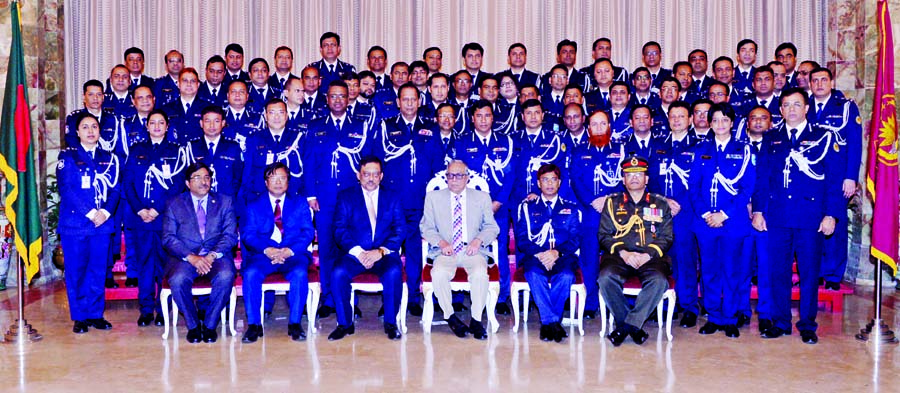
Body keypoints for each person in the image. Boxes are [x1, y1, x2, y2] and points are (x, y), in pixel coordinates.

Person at [752, 88, 845, 344]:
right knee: (777, 272)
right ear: (780, 110)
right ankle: (781, 322)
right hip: (778, 216)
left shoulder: (823, 137)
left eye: (797, 104)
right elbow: (762, 178)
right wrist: (758, 210)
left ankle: (807, 325)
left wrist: (831, 215)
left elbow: (833, 180)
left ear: (806, 109)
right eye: (786, 105)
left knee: (808, 272)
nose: (791, 109)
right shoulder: (771, 138)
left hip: (810, 218)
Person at [304, 80, 375, 318]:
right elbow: (309, 163)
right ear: (327, 99)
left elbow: (367, 165)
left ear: (348, 99)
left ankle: (346, 298)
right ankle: (328, 298)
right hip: (323, 200)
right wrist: (311, 194)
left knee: (349, 249)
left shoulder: (360, 126)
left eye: (341, 96)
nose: (337, 100)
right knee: (326, 249)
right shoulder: (315, 127)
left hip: (352, 201)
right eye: (333, 96)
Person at [374, 83, 445, 316]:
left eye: (414, 99)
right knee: (390, 250)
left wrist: (434, 199)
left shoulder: (430, 129)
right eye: (405, 99)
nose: (409, 104)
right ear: (397, 102)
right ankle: (390, 298)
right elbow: (377, 162)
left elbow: (437, 166)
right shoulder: (386, 127)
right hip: (392, 202)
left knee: (415, 250)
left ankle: (414, 297)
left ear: (420, 101)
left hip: (420, 201)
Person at [688, 103, 756, 338]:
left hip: (732, 221)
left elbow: (747, 188)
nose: (719, 125)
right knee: (709, 271)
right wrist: (706, 214)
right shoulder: (701, 150)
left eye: (724, 120)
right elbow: (693, 187)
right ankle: (713, 316)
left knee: (731, 270)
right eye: (715, 120)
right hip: (705, 222)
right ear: (709, 123)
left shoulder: (744, 150)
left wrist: (724, 214)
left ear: (732, 123)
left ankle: (729, 317)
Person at [328, 157, 406, 341]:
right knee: (338, 273)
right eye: (366, 174)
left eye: (375, 174)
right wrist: (359, 252)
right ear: (358, 175)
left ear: (381, 176)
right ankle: (345, 324)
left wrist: (379, 252)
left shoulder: (392, 197)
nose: (370, 178)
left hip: (383, 254)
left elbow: (400, 229)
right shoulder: (346, 196)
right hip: (355, 254)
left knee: (394, 272)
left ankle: (390, 323)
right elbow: (339, 229)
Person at [598, 155, 673, 346]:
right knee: (606, 278)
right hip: (620, 256)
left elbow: (666, 237)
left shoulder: (660, 204)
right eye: (629, 175)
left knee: (659, 281)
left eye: (638, 174)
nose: (634, 178)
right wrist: (624, 253)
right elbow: (604, 235)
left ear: (647, 178)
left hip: (651, 256)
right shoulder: (612, 203)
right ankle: (633, 326)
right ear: (623, 179)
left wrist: (647, 254)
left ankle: (625, 327)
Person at [420, 160, 500, 339]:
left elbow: (492, 227)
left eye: (458, 176)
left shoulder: (482, 198)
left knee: (480, 273)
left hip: (472, 250)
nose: (454, 180)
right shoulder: (433, 198)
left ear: (467, 178)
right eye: (450, 175)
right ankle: (450, 317)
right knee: (438, 273)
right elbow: (426, 227)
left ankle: (477, 320)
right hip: (445, 250)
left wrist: (478, 241)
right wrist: (441, 243)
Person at [57, 113, 121, 334]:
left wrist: (105, 211)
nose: (91, 131)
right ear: (77, 131)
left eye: (94, 126)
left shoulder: (110, 157)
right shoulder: (68, 156)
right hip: (76, 224)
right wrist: (91, 212)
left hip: (101, 224)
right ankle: (80, 316)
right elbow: (67, 190)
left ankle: (95, 314)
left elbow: (115, 189)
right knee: (77, 270)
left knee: (97, 269)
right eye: (85, 127)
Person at [162, 162, 238, 344]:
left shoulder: (224, 201)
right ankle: (193, 325)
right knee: (178, 279)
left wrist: (211, 255)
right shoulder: (175, 203)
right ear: (188, 183)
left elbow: (230, 235)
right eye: (197, 178)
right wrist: (192, 257)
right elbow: (168, 238)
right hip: (185, 257)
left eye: (207, 177)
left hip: (215, 256)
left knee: (226, 275)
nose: (203, 182)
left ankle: (210, 325)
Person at [240, 162, 315, 343]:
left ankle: (295, 324)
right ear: (266, 182)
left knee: (298, 273)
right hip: (264, 255)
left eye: (282, 178)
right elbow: (248, 234)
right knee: (251, 274)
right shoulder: (254, 205)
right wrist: (268, 250)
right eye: (273, 178)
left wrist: (289, 251)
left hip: (293, 254)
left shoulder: (299, 203)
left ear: (288, 181)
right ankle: (254, 325)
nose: (278, 182)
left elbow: (307, 233)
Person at [122, 110, 182, 327]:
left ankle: (163, 309)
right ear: (146, 126)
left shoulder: (176, 151)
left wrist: (157, 208)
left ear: (167, 127)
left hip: (165, 218)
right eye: (153, 123)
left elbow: (177, 185)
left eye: (161, 122)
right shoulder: (137, 150)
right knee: (144, 264)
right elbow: (128, 183)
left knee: (165, 265)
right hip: (142, 219)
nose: (157, 126)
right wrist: (140, 209)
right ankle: (146, 309)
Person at [806, 67, 861, 290]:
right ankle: (815, 271)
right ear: (810, 84)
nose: (819, 84)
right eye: (815, 80)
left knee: (835, 223)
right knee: (811, 225)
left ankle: (833, 275)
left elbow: (855, 145)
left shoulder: (845, 107)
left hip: (837, 177)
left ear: (831, 82)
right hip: (810, 176)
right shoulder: (803, 105)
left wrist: (851, 177)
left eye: (823, 80)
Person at [647, 101, 701, 328]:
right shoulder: (658, 147)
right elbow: (650, 181)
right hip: (659, 213)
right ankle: (662, 305)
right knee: (659, 259)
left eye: (682, 116)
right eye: (673, 116)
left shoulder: (698, 146)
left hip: (685, 213)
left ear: (690, 120)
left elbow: (700, 183)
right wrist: (662, 201)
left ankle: (688, 306)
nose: (677, 120)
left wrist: (680, 203)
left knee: (685, 261)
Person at [515, 164, 581, 343]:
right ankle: (552, 323)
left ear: (559, 183)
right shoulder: (527, 208)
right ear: (538, 183)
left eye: (553, 179)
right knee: (533, 274)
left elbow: (575, 239)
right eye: (545, 180)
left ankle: (548, 323)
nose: (549, 183)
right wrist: (541, 254)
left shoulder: (572, 208)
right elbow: (522, 239)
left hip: (562, 256)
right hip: (535, 257)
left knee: (566, 276)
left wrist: (556, 253)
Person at [569, 110, 624, 320]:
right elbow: (576, 180)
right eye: (594, 124)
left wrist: (608, 200)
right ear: (588, 128)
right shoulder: (579, 151)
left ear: (609, 126)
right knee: (589, 260)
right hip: (589, 214)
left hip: (616, 215)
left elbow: (626, 179)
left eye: (603, 124)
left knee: (617, 259)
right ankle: (591, 302)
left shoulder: (620, 150)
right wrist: (592, 201)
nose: (599, 128)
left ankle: (616, 303)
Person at [187, 106, 244, 200]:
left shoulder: (233, 147)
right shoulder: (191, 147)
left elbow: (238, 178)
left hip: (226, 201)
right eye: (207, 121)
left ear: (223, 123)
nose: (212, 125)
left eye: (216, 121)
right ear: (201, 123)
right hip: (198, 200)